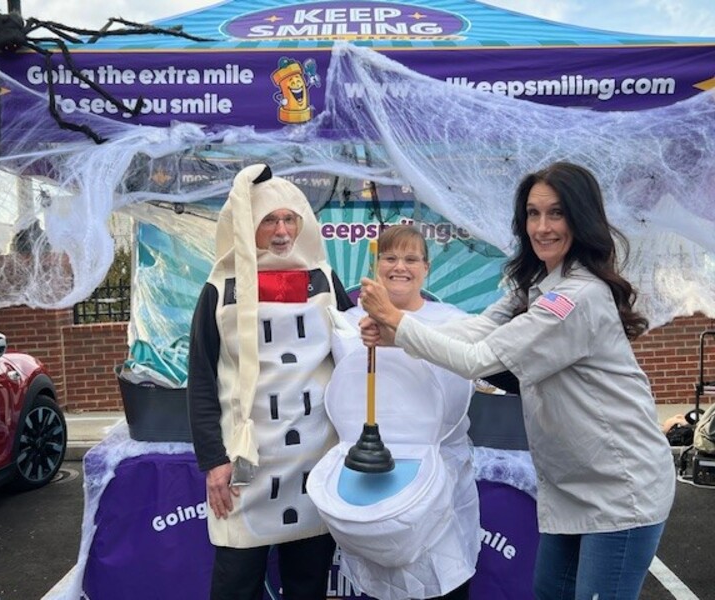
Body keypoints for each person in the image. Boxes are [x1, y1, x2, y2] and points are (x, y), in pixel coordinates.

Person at [358, 162, 676, 600]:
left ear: (581, 218)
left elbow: (476, 359)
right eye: (533, 213)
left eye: (556, 213)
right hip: (569, 487)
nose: (541, 227)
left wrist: (394, 319)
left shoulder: (575, 299)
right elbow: (473, 332)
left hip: (619, 491)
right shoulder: (536, 286)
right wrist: (395, 337)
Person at [187, 163, 354, 600]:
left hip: (313, 460)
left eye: (289, 219)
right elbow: (201, 378)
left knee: (308, 583)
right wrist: (214, 461)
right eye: (268, 221)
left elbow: (354, 356)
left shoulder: (325, 281)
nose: (281, 232)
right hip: (244, 463)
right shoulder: (220, 289)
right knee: (235, 584)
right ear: (248, 227)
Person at [325, 224, 479, 600]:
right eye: (390, 258)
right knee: (384, 583)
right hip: (373, 477)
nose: (400, 267)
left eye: (411, 259)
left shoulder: (454, 322)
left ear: (426, 268)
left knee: (444, 578)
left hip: (441, 478)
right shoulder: (346, 324)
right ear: (377, 266)